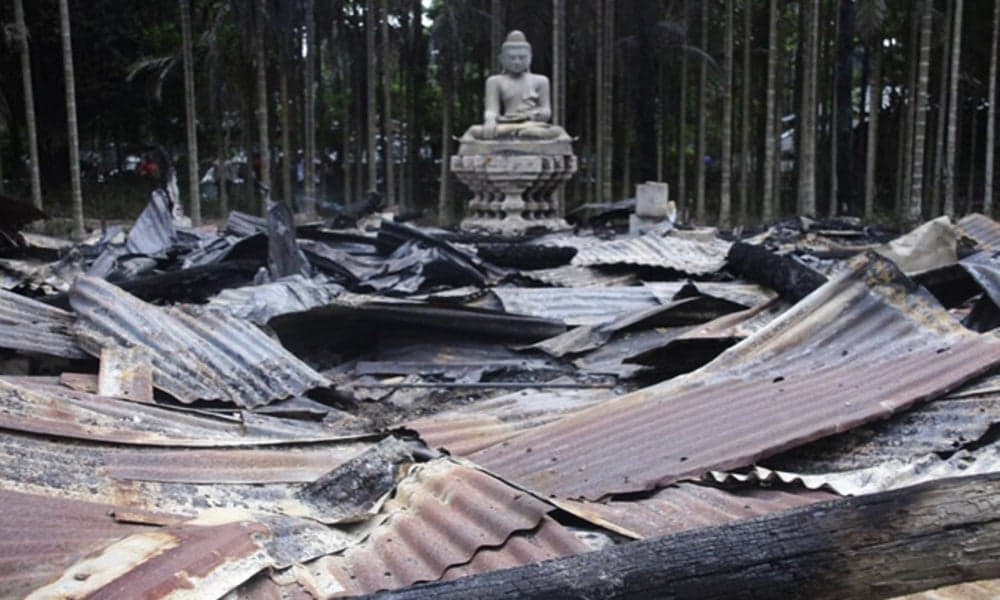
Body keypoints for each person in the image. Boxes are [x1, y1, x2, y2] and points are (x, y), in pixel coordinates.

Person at [462, 31, 569, 141]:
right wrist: (490, 120)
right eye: (512, 58)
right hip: (505, 124)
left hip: (531, 124)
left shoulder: (541, 80)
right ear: (502, 59)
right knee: (474, 130)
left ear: (530, 58)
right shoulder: (494, 81)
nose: (517, 62)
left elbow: (546, 111)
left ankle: (521, 133)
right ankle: (520, 134)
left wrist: (529, 115)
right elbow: (492, 110)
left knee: (557, 131)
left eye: (522, 58)